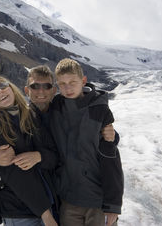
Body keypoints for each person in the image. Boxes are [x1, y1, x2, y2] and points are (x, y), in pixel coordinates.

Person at [0, 75, 58, 226]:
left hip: (50, 204)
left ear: (11, 87)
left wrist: (39, 156)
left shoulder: (31, 114)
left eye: (2, 86)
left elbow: (54, 155)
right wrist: (45, 213)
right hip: (19, 211)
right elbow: (15, 172)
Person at [49, 58, 124, 226]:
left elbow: (111, 160)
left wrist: (113, 205)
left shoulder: (99, 110)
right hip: (69, 200)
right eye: (62, 84)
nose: (67, 88)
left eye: (72, 82)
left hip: (98, 201)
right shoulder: (55, 108)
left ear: (83, 81)